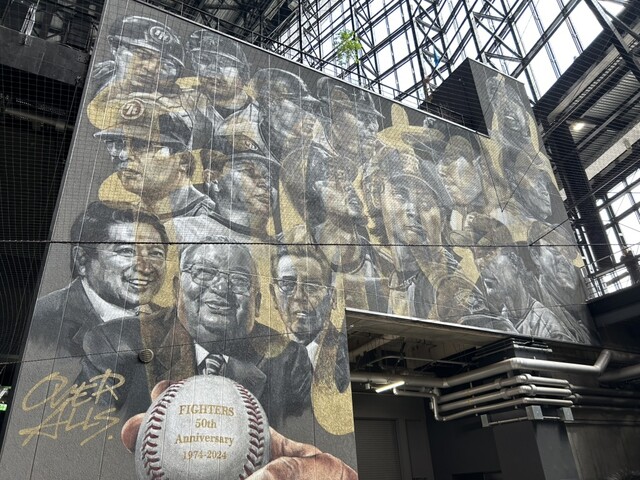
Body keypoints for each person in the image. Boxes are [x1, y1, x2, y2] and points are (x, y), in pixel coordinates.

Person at [175, 237, 312, 427]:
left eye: (239, 280)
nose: (221, 288)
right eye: (204, 272)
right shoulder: (137, 341)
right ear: (177, 289)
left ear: (257, 303)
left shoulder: (289, 359)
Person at [26, 202, 170, 362]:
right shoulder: (39, 321)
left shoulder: (174, 324)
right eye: (126, 251)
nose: (145, 268)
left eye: (155, 253)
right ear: (82, 259)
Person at [280, 143, 391, 312]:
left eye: (345, 177)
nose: (347, 185)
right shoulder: (288, 251)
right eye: (333, 177)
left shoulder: (384, 264)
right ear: (312, 192)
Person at [363, 146, 455, 318]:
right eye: (400, 195)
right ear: (377, 197)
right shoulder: (378, 288)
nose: (413, 210)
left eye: (425, 203)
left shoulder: (452, 285)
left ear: (442, 219)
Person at [92, 94, 215, 221]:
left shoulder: (207, 220)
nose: (123, 155)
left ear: (183, 161)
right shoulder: (123, 217)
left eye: (141, 145)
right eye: (118, 144)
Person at [270, 227, 349, 393]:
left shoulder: (343, 354)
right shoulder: (264, 359)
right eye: (287, 284)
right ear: (273, 294)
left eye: (311, 286)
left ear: (331, 297)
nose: (298, 296)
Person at [89, 16, 184, 97]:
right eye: (143, 55)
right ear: (115, 47)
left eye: (165, 64)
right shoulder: (96, 75)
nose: (151, 68)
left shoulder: (170, 108)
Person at [199, 150, 280, 240]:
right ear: (212, 178)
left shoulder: (283, 243)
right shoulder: (192, 231)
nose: (266, 184)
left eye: (268, 177)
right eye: (248, 171)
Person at [316, 77, 383, 170]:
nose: (371, 127)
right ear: (329, 112)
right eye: (360, 116)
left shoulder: (380, 166)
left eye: (372, 118)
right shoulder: (312, 159)